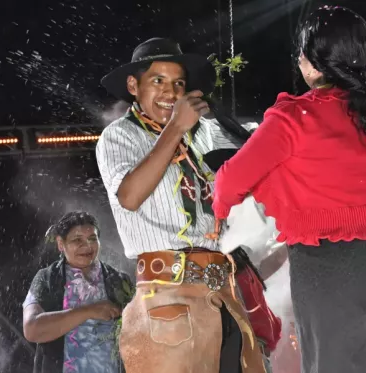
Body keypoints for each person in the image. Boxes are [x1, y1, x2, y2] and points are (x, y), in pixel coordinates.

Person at [212, 7, 366, 373]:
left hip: (329, 275)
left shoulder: (292, 120)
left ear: (312, 66)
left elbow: (228, 183)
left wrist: (219, 213)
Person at [96, 37, 268, 373]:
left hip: (222, 298)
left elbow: (258, 146)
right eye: (157, 81)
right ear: (133, 85)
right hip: (165, 301)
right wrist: (176, 126)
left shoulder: (203, 133)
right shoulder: (119, 136)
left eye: (178, 83)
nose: (170, 92)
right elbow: (129, 197)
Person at [22, 211, 133, 373]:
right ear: (61, 243)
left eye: (92, 239)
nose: (87, 245)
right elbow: (32, 329)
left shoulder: (119, 280)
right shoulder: (47, 278)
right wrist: (89, 311)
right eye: (77, 240)